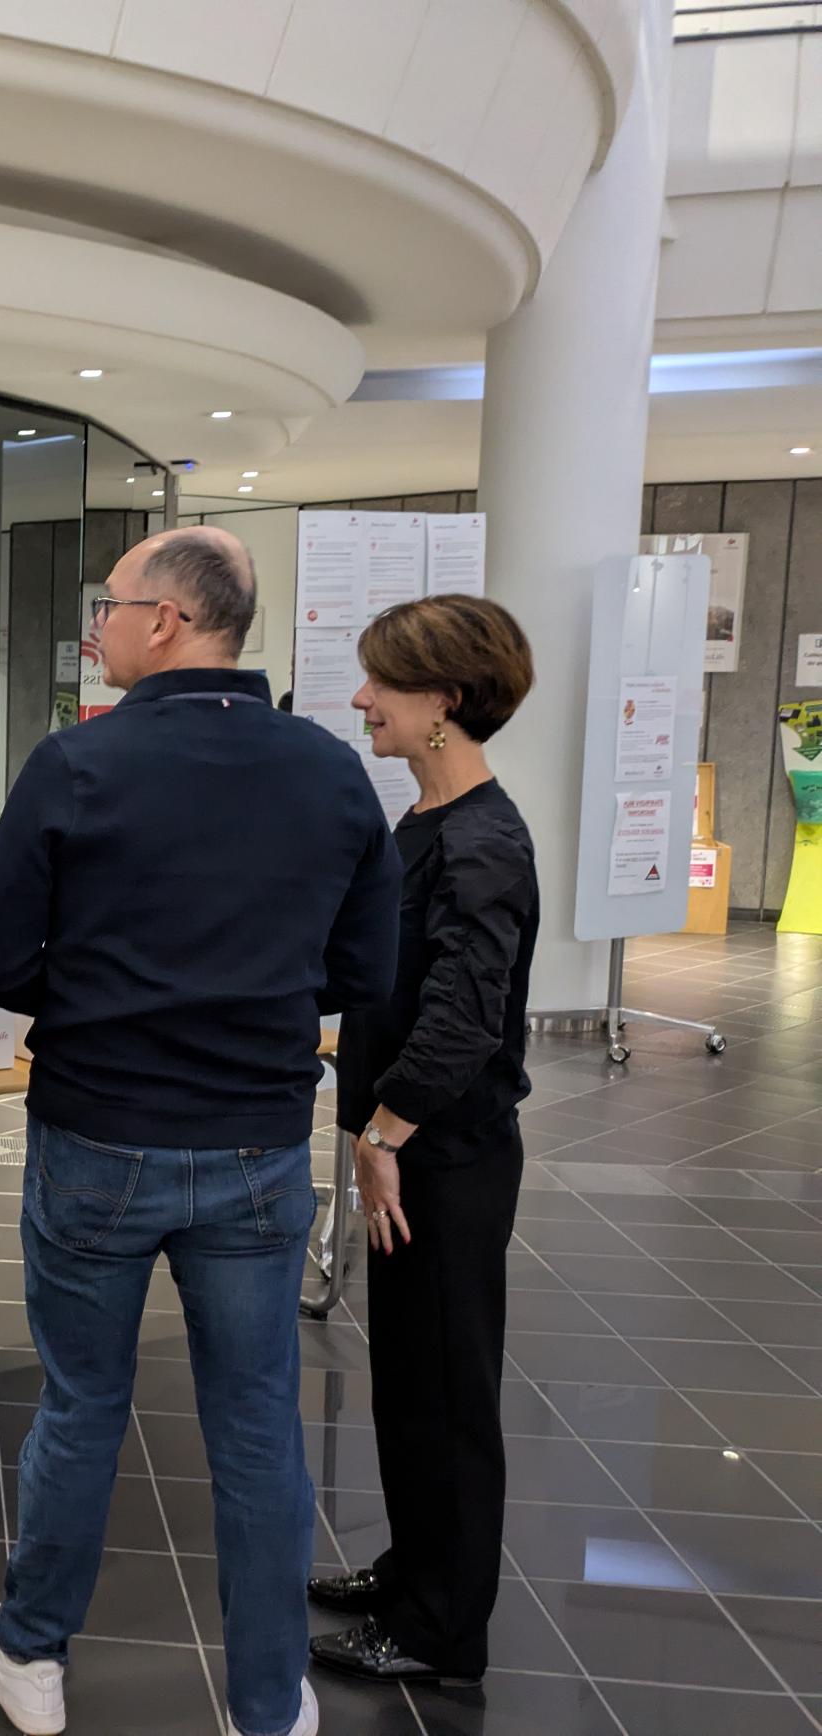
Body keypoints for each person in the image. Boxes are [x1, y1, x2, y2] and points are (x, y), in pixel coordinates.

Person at [0, 527, 400, 1736]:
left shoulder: (75, 764)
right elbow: (364, 967)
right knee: (255, 1421)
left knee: (81, 1401)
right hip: (258, 1145)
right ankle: (270, 1700)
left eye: (106, 604)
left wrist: (107, 991)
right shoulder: (327, 770)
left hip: (98, 1134)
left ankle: (33, 1655)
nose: (93, 625)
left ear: (166, 619)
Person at [310, 596, 539, 1689]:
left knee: (446, 1390)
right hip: (410, 1148)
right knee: (404, 1376)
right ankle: (411, 1571)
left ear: (442, 700)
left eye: (381, 685)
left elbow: (466, 1013)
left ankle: (442, 1625)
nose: (361, 700)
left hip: (442, 1161)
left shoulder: (483, 841)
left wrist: (383, 1129)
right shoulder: (424, 824)